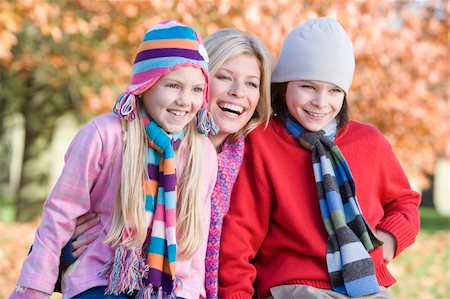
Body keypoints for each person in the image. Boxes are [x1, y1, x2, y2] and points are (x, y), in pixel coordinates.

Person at [52, 27, 274, 299]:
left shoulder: (258, 162)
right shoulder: (131, 142)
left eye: (252, 83)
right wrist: (69, 250)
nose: (238, 92)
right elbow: (60, 217)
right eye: (225, 77)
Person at [10, 20, 218, 299]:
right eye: (173, 85)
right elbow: (59, 215)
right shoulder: (104, 135)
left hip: (171, 287)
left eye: (196, 90)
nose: (185, 100)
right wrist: (34, 289)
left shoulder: (200, 152)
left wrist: (193, 293)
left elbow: (198, 240)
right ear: (146, 84)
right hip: (101, 279)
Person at [218, 17, 420, 299]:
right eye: (308, 87)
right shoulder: (262, 142)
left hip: (366, 285)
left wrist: (389, 239)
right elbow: (238, 239)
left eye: (334, 90)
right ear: (283, 85)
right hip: (295, 287)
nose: (321, 102)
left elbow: (404, 202)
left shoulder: (369, 142)